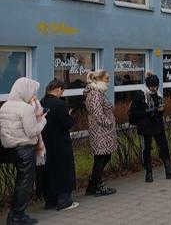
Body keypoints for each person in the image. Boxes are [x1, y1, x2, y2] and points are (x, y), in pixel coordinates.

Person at [0, 78, 47, 224]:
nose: (33, 95)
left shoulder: (4, 106)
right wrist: (43, 121)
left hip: (8, 149)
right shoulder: (25, 108)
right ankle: (17, 215)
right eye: (32, 92)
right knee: (24, 183)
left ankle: (15, 215)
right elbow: (32, 132)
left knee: (19, 182)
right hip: (25, 149)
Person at [130, 75, 171, 181]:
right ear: (147, 85)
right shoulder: (140, 95)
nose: (154, 89)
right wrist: (151, 111)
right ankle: (149, 173)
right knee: (147, 149)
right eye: (151, 87)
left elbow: (160, 108)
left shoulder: (158, 94)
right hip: (145, 126)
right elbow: (135, 112)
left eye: (155, 86)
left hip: (157, 125)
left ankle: (169, 170)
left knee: (164, 146)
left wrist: (160, 111)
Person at [40, 79, 78, 211]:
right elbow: (66, 124)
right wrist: (71, 117)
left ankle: (50, 201)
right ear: (58, 89)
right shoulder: (59, 104)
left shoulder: (41, 102)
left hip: (46, 143)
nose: (62, 94)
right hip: (61, 144)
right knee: (63, 171)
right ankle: (64, 201)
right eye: (62, 91)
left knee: (49, 172)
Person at [84, 70, 117, 196]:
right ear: (99, 79)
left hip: (104, 132)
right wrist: (108, 122)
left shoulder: (99, 93)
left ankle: (92, 185)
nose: (108, 80)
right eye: (106, 78)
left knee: (104, 157)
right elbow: (98, 113)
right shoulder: (95, 94)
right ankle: (98, 185)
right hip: (100, 132)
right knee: (100, 158)